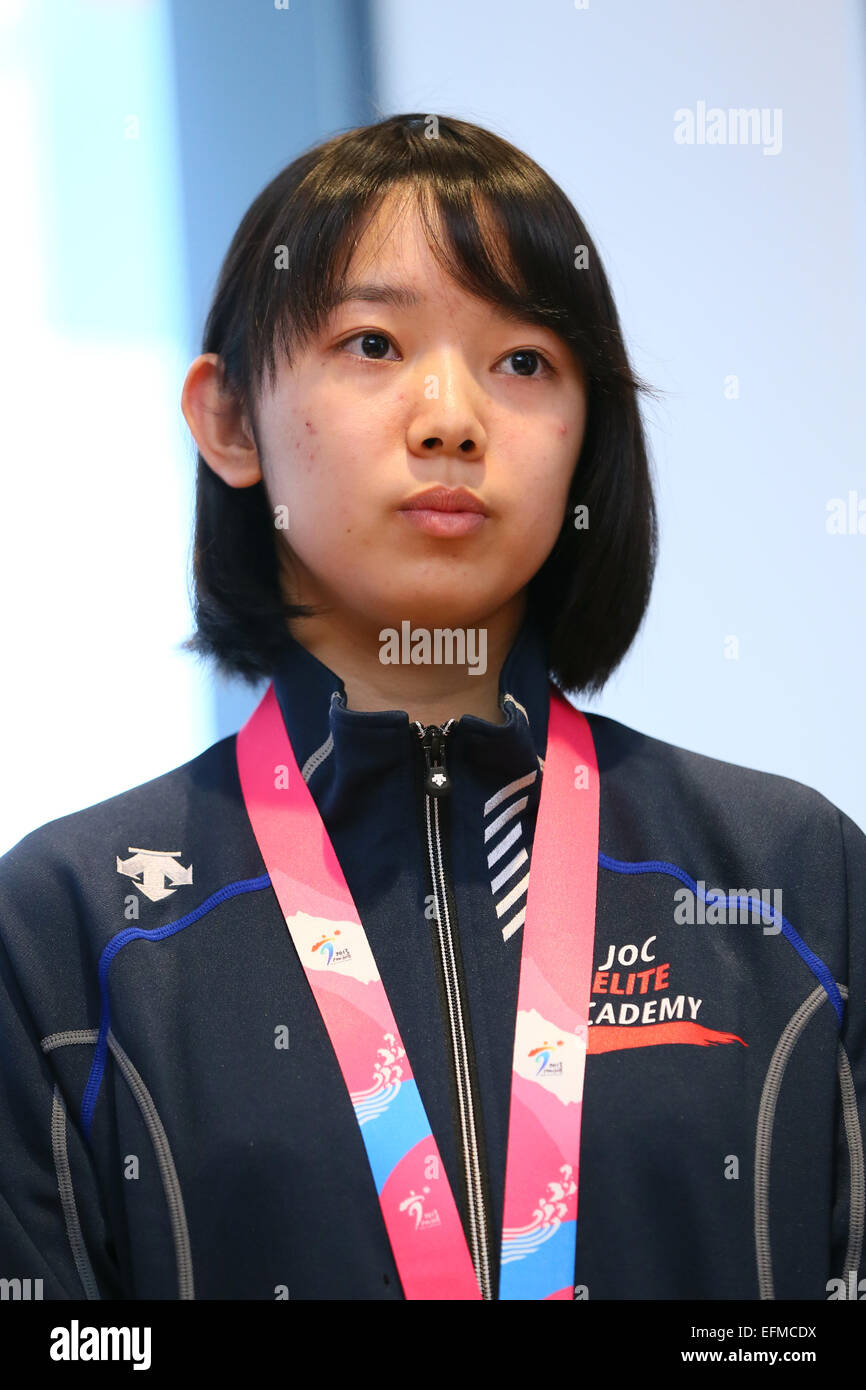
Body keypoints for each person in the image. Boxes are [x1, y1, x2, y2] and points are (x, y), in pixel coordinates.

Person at [0, 112, 863, 1302]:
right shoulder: (69, 922)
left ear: (585, 436)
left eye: (523, 362)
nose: (451, 416)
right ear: (231, 419)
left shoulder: (787, 872)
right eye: (371, 342)